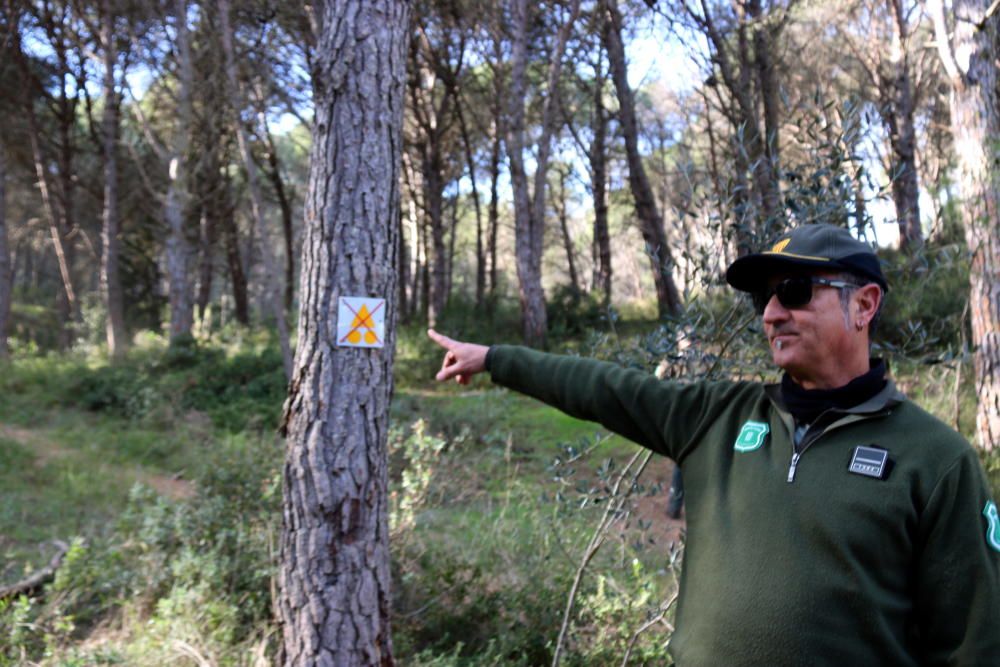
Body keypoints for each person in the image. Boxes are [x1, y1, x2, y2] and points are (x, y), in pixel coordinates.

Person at [428, 223, 1000, 666]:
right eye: (764, 300)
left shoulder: (935, 459)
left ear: (864, 304)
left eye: (795, 292)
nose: (773, 314)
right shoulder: (717, 417)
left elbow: (974, 641)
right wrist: (497, 360)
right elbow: (602, 388)